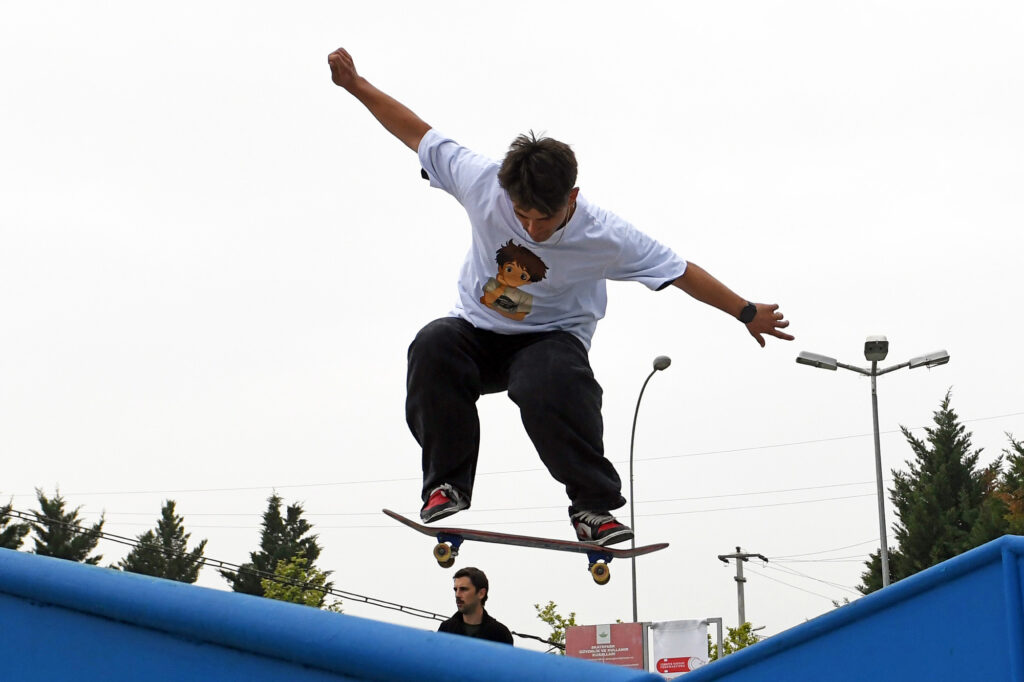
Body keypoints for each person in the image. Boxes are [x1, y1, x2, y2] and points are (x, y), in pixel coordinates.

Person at [327, 47, 794, 546]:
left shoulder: (606, 236)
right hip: (476, 333)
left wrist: (745, 311)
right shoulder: (481, 180)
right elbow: (415, 133)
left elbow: (681, 272)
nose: (532, 228)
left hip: (550, 339)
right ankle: (447, 484)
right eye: (521, 215)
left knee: (547, 380)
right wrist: (356, 85)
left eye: (544, 219)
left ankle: (593, 508)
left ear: (571, 197)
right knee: (432, 345)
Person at [438, 567, 514, 645]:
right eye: (455, 589)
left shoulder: (500, 635)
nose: (457, 594)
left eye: (463, 589)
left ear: (481, 593)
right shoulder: (446, 629)